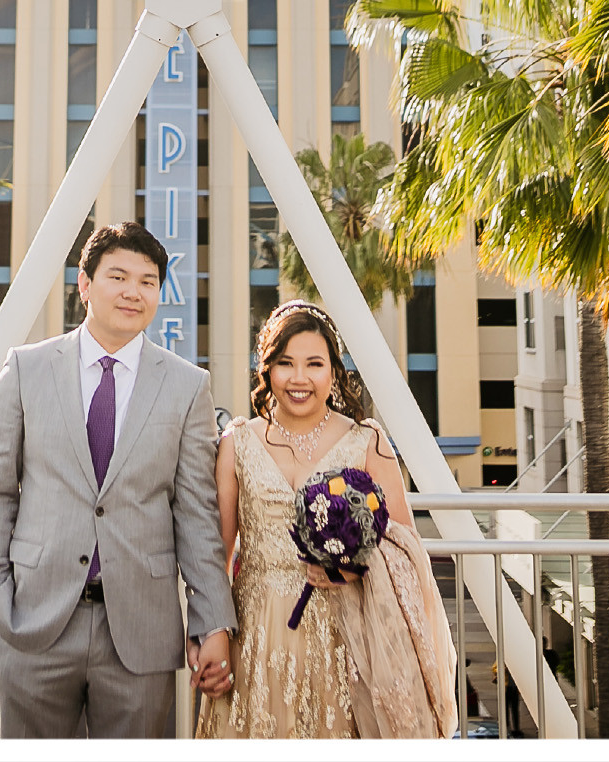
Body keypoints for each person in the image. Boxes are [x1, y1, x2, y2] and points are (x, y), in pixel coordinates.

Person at [0, 222, 234, 738]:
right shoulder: (25, 369)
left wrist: (211, 620)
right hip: (33, 623)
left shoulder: (187, 386)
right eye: (118, 276)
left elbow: (198, 516)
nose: (134, 292)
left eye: (149, 281)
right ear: (84, 285)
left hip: (141, 631)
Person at [193, 300, 458, 740]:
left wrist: (354, 566)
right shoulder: (236, 442)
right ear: (267, 370)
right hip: (254, 635)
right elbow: (216, 554)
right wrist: (212, 633)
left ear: (333, 371)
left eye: (314, 364)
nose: (299, 379)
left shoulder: (367, 442)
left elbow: (405, 548)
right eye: (285, 363)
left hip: (345, 636)